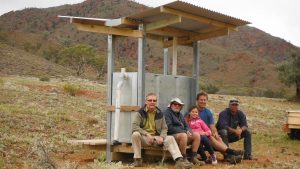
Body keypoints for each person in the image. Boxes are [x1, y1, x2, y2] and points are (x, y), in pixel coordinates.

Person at [131, 93, 192, 169]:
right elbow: (134, 127)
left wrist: (162, 137)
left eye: (154, 100)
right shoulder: (140, 113)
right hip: (145, 138)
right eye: (150, 100)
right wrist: (147, 134)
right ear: (146, 102)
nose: (152, 102)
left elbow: (164, 128)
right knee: (135, 134)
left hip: (157, 138)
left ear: (156, 102)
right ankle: (137, 160)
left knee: (170, 138)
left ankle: (179, 161)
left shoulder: (160, 113)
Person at [195, 91, 243, 164]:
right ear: (197, 100)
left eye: (204, 100)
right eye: (201, 100)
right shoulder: (192, 110)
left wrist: (215, 132)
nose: (203, 101)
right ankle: (231, 152)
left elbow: (212, 125)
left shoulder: (208, 112)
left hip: (206, 133)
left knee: (218, 138)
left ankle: (229, 156)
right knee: (211, 138)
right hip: (197, 134)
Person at [163, 97, 204, 166]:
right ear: (171, 105)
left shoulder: (180, 114)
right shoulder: (167, 113)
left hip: (181, 134)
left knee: (196, 135)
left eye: (179, 105)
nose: (177, 106)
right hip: (171, 136)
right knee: (183, 135)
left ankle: (193, 157)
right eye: (175, 104)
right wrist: (184, 132)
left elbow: (186, 125)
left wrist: (188, 131)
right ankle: (183, 158)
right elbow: (169, 128)